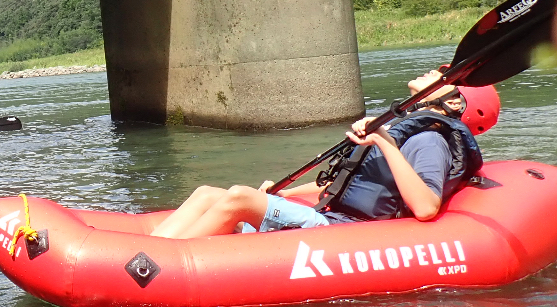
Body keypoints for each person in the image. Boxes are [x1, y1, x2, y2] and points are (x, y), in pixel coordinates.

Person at [151, 71, 499, 239]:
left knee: (239, 199)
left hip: (342, 232)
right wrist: (284, 195)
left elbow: (425, 208)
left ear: (454, 102)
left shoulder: (430, 140)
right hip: (330, 215)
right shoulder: (406, 131)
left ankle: (159, 267)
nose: (434, 73)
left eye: (443, 76)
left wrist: (384, 144)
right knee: (209, 194)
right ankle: (151, 250)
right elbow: (340, 188)